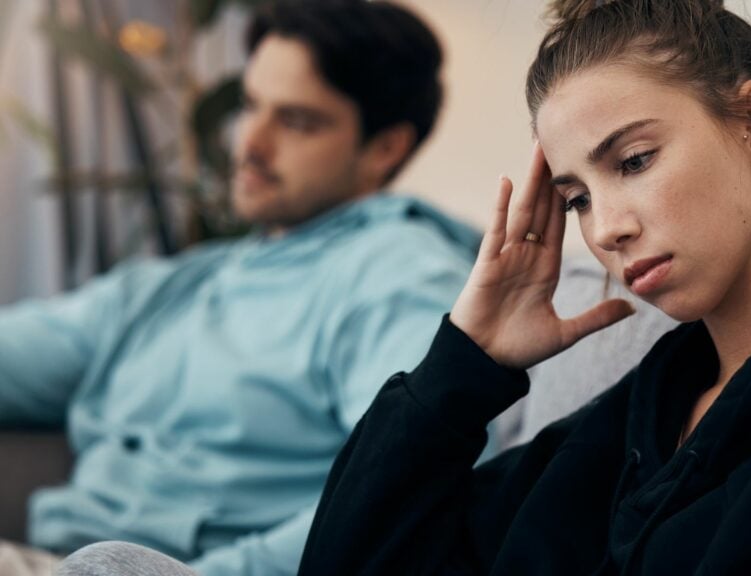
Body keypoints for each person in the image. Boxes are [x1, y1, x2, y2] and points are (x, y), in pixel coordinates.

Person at [57, 0, 751, 574]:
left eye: (634, 160)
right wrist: (467, 360)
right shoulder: (656, 403)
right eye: (578, 195)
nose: (606, 227)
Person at [0, 1, 477, 575]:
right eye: (251, 105)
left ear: (386, 147)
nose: (249, 142)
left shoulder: (395, 274)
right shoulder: (185, 282)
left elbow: (408, 486)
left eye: (296, 120)